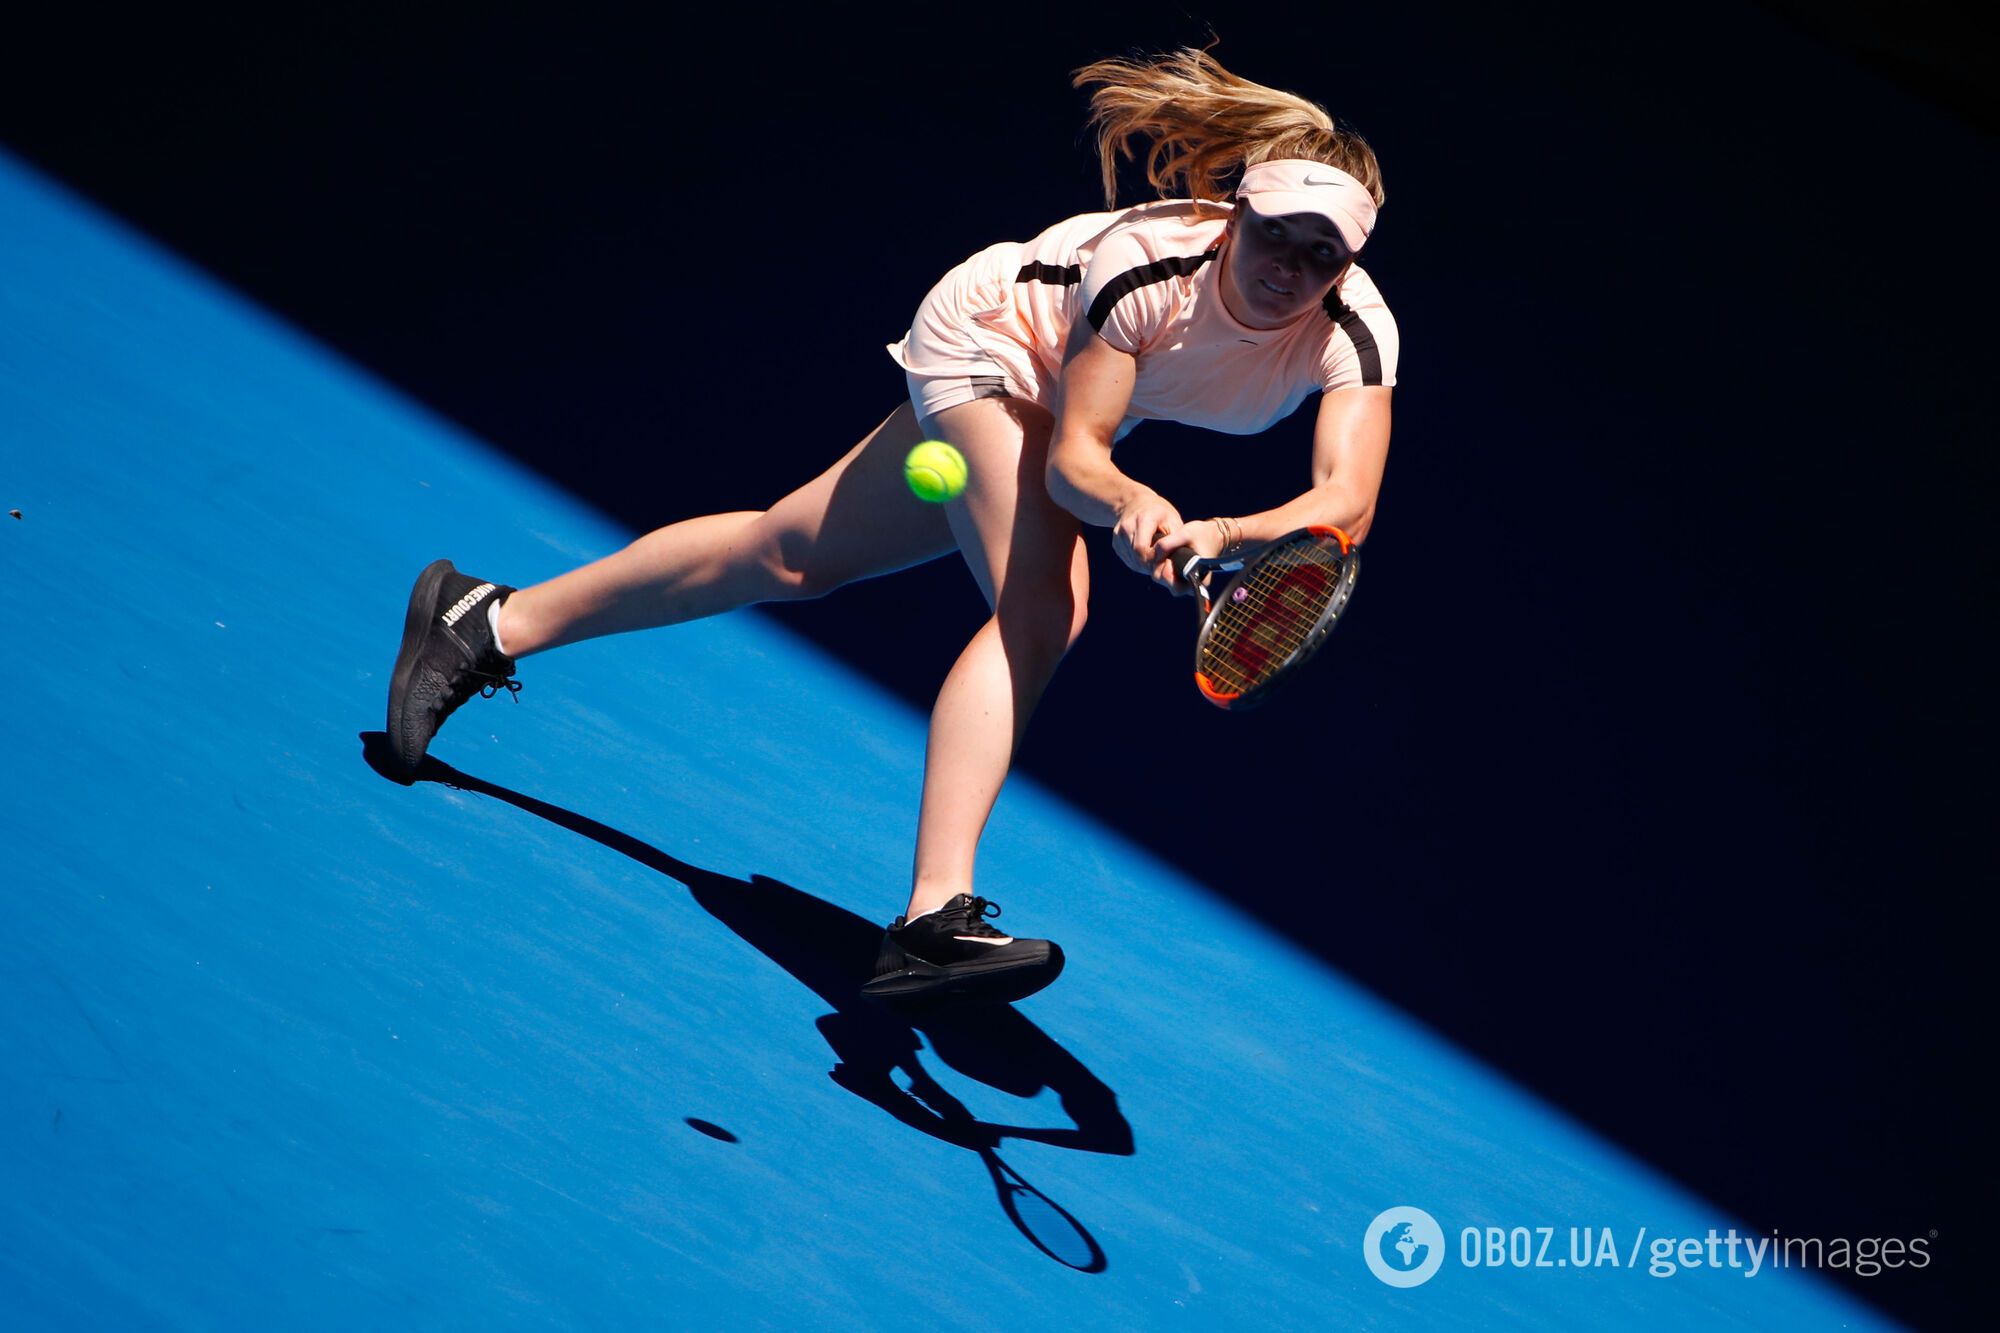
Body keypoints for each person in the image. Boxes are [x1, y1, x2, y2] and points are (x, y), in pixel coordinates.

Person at [383, 46, 1398, 1005]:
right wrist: (1131, 501)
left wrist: (1218, 531)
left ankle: (488, 620)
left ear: (1344, 265)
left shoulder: (1353, 329)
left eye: (1320, 256)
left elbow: (1342, 504)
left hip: (1071, 398)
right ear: (1234, 215)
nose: (1288, 267)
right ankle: (929, 919)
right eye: (1274, 233)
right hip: (993, 337)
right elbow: (1077, 461)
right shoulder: (1144, 266)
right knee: (1044, 606)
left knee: (790, 555)